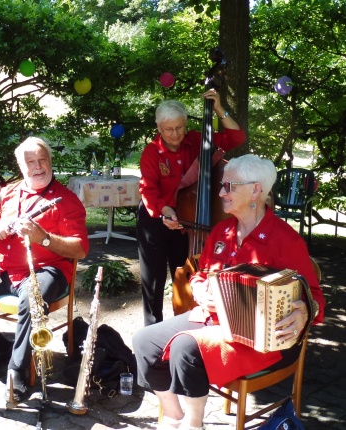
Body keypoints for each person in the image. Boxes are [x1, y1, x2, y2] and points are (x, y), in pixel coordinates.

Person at [132, 154, 325, 430]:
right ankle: (174, 417)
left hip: (262, 338)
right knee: (144, 341)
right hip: (212, 318)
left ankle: (193, 424)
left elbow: (315, 296)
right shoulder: (222, 230)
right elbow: (200, 275)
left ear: (256, 189)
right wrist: (199, 291)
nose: (221, 192)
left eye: (229, 187)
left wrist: (305, 310)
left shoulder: (286, 240)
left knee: (186, 347)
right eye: (223, 186)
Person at [0, 136, 89, 403]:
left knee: (31, 298)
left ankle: (16, 369)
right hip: (3, 269)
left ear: (51, 162)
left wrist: (44, 238)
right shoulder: (7, 194)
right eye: (30, 162)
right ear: (21, 166)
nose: (38, 166)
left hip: (48, 270)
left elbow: (80, 249)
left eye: (42, 160)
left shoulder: (66, 200)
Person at [138, 93, 246, 326]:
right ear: (158, 127)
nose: (175, 134)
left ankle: (186, 326)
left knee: (186, 277)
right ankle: (153, 331)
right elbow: (148, 191)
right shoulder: (150, 153)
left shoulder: (198, 140)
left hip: (189, 223)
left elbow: (236, 137)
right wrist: (164, 211)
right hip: (156, 218)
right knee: (153, 282)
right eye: (168, 129)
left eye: (179, 127)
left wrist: (219, 108)